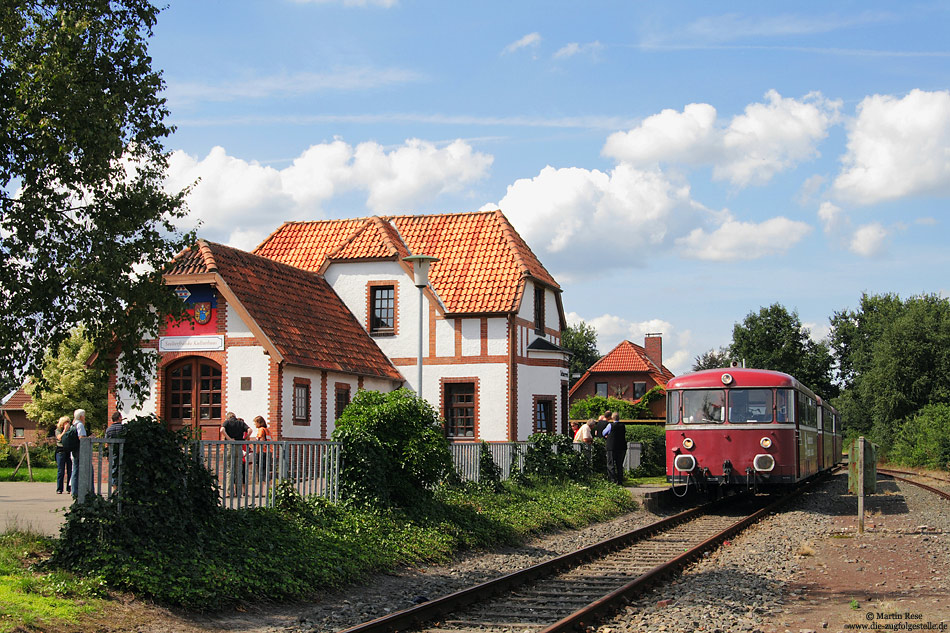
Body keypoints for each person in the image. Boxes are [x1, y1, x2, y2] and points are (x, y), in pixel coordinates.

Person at [221, 412, 250, 496]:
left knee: (229, 470)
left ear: (228, 417)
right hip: (239, 446)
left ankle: (229, 492)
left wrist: (229, 439)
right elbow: (250, 430)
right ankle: (239, 492)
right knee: (239, 470)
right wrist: (245, 438)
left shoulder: (227, 422)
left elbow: (222, 430)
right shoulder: (240, 423)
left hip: (230, 446)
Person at [69, 408, 90, 499]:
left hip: (74, 450)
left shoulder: (73, 425)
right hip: (80, 451)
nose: (85, 418)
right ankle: (77, 491)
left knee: (75, 470)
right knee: (78, 470)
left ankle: (74, 490)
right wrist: (89, 438)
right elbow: (81, 438)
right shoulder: (80, 425)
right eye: (84, 416)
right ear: (81, 417)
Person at [603, 412, 627, 485]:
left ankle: (612, 480)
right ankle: (620, 481)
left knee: (610, 464)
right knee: (619, 464)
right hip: (621, 447)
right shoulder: (623, 426)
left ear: (612, 418)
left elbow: (604, 433)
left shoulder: (610, 425)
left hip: (611, 447)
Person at [54, 416, 73, 494]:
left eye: (68, 422)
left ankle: (69, 488)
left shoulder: (70, 430)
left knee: (70, 470)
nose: (68, 424)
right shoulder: (58, 430)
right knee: (61, 470)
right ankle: (59, 488)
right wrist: (65, 431)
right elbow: (59, 438)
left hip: (68, 450)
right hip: (60, 450)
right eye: (66, 422)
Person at [250, 416, 271, 482]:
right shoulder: (267, 430)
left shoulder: (261, 430)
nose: (255, 424)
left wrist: (257, 451)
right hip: (268, 450)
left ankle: (261, 489)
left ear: (259, 422)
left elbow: (260, 440)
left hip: (262, 451)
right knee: (266, 471)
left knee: (261, 472)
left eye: (255, 423)